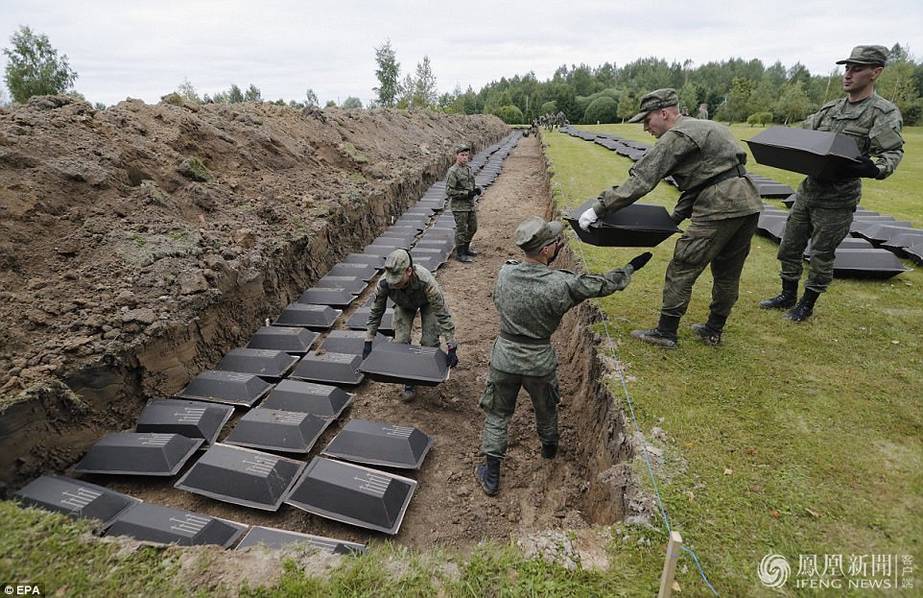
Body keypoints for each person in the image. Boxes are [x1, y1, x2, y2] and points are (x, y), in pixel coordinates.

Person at [475, 216, 652, 496]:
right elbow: (602, 285)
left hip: (504, 357)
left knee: (498, 414)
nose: (559, 245)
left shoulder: (505, 274)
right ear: (546, 250)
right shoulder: (562, 284)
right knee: (546, 409)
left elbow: (497, 301)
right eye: (556, 242)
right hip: (538, 361)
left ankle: (492, 475)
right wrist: (629, 268)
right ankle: (549, 450)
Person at [578, 88, 763, 348]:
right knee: (728, 271)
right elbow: (708, 178)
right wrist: (673, 219)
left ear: (664, 113)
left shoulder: (676, 136)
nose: (645, 129)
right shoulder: (707, 126)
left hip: (720, 205)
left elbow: (642, 179)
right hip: (748, 202)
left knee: (683, 264)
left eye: (647, 120)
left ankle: (666, 332)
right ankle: (713, 329)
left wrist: (599, 208)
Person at [760, 45, 904, 321]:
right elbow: (803, 134)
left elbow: (892, 152)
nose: (848, 74)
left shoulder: (881, 112)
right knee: (789, 245)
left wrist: (873, 168)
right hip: (809, 189)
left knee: (822, 253)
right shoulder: (831, 108)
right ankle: (787, 294)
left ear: (876, 72)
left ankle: (807, 303)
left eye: (856, 68)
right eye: (846, 68)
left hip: (838, 197)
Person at [363, 249, 458, 401]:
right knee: (400, 343)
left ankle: (425, 373)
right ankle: (409, 380)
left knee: (429, 343)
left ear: (409, 271)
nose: (395, 284)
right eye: (392, 281)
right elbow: (376, 311)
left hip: (428, 305)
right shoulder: (384, 283)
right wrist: (368, 340)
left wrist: (452, 345)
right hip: (403, 305)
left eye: (398, 281)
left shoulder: (427, 282)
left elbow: (442, 314)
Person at [445, 143, 482, 263]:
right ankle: (460, 253)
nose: (465, 157)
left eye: (466, 155)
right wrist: (466, 194)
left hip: (469, 205)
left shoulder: (468, 169)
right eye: (462, 155)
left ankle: (466, 248)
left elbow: (470, 184)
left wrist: (475, 190)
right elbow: (449, 191)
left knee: (473, 227)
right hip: (459, 207)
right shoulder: (453, 171)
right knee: (461, 230)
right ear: (457, 156)